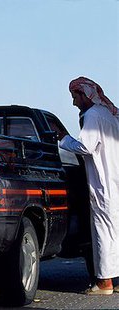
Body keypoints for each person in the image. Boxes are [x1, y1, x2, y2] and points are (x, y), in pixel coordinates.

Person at [56, 77, 119, 295]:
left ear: (84, 94)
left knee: (103, 233)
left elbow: (86, 146)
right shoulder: (110, 115)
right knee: (115, 234)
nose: (74, 102)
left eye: (75, 97)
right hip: (115, 184)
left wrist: (64, 139)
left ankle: (104, 284)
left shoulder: (92, 115)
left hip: (104, 186)